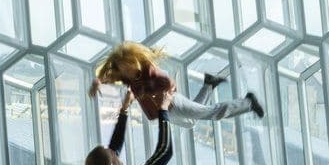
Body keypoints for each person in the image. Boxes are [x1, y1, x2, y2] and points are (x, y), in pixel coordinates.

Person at [90, 39, 264, 126]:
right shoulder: (128, 77)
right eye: (122, 69)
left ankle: (248, 102)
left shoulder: (148, 70)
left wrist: (145, 90)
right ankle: (209, 84)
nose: (125, 71)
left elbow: (168, 83)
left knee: (212, 113)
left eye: (126, 66)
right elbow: (109, 78)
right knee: (191, 123)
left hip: (172, 103)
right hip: (163, 112)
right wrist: (97, 82)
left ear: (133, 60)